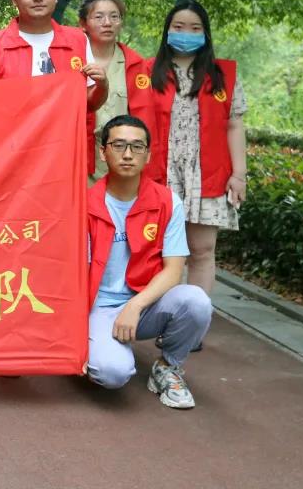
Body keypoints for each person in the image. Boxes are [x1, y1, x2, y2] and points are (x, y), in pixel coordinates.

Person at [85, 115, 212, 409]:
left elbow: (174, 270)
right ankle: (95, 347)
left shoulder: (167, 201)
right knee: (112, 374)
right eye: (119, 145)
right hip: (98, 306)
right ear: (103, 152)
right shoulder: (84, 204)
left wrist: (135, 305)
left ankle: (168, 367)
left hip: (145, 304)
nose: (128, 154)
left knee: (196, 301)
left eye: (137, 146)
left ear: (148, 155)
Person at [147, 0, 247, 295]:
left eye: (195, 28)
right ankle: (164, 313)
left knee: (202, 249)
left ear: (205, 33)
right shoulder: (146, 72)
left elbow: (235, 125)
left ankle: (196, 316)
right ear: (167, 31)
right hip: (161, 171)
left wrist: (239, 174)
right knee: (160, 250)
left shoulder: (223, 75)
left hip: (207, 173)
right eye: (178, 27)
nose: (186, 34)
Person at [0, 0, 108, 173]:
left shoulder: (78, 40)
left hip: (66, 156)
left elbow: (89, 103)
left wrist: (102, 85)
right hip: (14, 161)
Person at [78, 0, 156, 183]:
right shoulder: (72, 61)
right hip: (79, 157)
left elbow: (144, 117)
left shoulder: (135, 65)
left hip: (122, 158)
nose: (107, 23)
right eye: (99, 17)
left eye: (114, 16)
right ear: (83, 24)